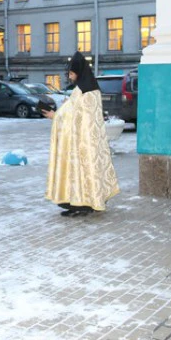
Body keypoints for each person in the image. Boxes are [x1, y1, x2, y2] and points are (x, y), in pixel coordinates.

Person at [42, 51, 120, 217]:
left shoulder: (87, 92)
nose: (70, 77)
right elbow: (73, 111)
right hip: (81, 141)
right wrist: (63, 109)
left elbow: (76, 116)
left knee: (83, 172)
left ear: (79, 72)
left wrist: (55, 115)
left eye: (71, 73)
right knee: (78, 172)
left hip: (83, 143)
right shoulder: (85, 89)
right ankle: (76, 203)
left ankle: (84, 204)